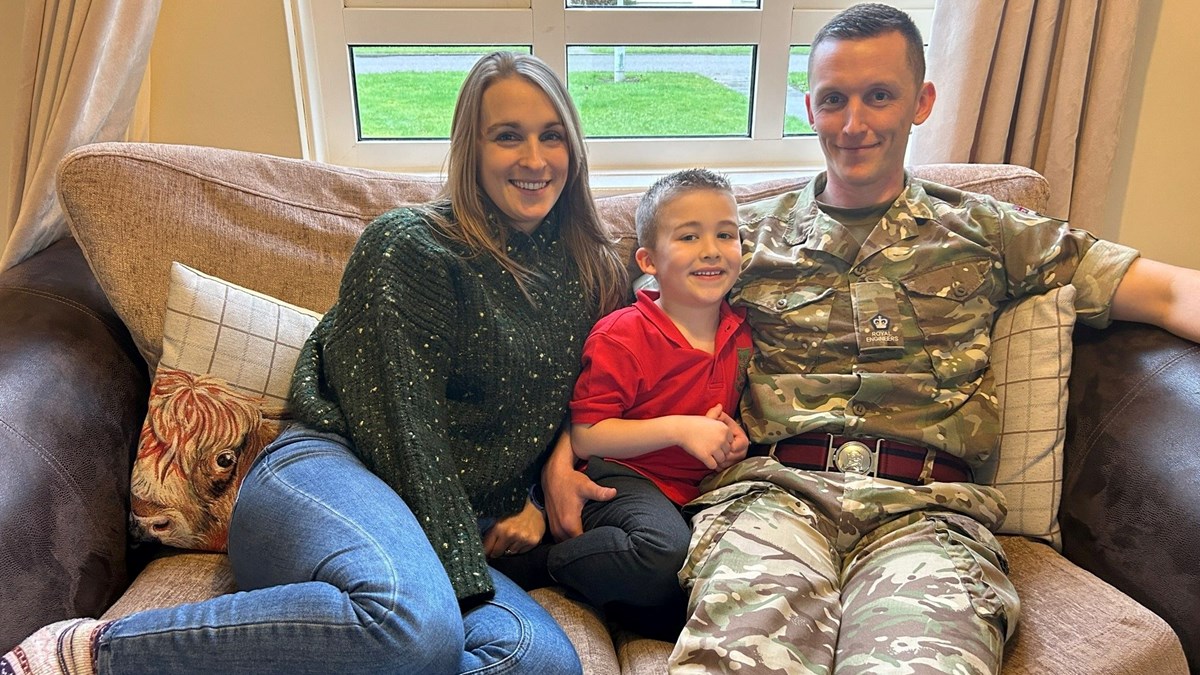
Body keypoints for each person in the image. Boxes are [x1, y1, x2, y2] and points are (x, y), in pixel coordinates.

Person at [543, 4, 1200, 674]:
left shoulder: (988, 230)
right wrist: (563, 454)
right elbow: (636, 342)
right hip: (774, 500)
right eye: (834, 100)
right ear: (810, 107)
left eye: (879, 96)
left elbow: (1171, 290)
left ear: (922, 101)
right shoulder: (743, 239)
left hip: (927, 515)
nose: (853, 123)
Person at [2, 51, 626, 675]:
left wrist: (543, 492)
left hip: (447, 526)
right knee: (411, 628)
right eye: (507, 136)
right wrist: (458, 568)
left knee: (538, 662)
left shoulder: (588, 270)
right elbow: (401, 430)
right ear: (471, 148)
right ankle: (85, 653)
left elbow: (594, 398)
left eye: (552, 136)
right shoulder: (411, 245)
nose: (535, 159)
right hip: (331, 472)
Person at [523, 168, 753, 639]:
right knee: (660, 553)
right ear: (648, 259)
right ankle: (538, 567)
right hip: (624, 477)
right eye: (689, 236)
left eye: (725, 234)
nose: (711, 248)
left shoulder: (742, 331)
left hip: (697, 494)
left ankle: (638, 601)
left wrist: (733, 442)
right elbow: (588, 432)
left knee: (723, 585)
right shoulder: (623, 334)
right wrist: (681, 429)